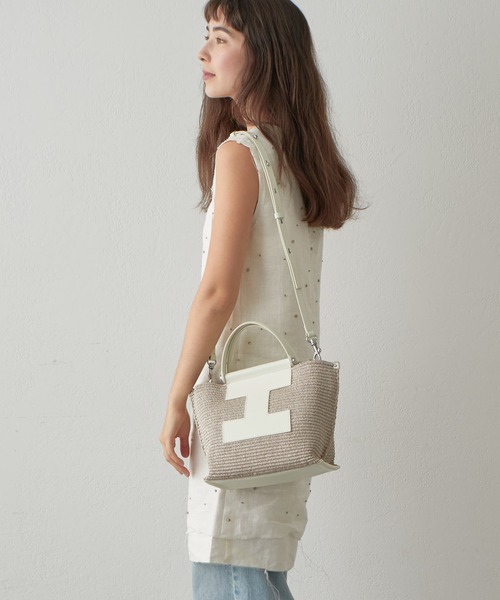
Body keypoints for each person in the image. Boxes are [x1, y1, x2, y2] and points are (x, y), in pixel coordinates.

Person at [159, 1, 363, 598]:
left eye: (221, 37)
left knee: (229, 576)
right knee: (260, 577)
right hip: (288, 409)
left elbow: (217, 293)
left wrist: (176, 397)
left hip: (239, 412)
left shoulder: (241, 154)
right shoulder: (299, 161)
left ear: (265, 53)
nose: (203, 52)